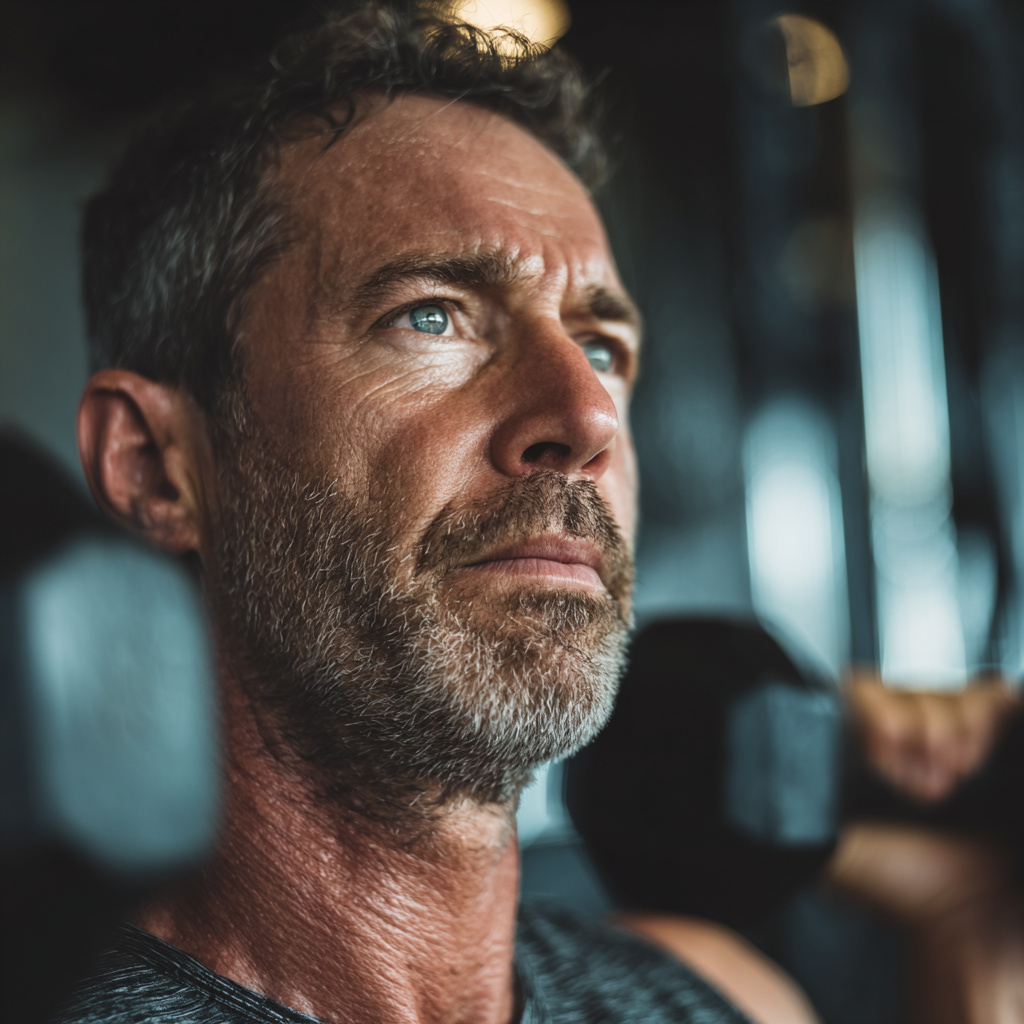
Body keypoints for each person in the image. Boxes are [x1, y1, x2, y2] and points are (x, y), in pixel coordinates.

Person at [61, 6, 817, 1023]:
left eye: (601, 347)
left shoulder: (715, 999)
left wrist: (963, 920)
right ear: (156, 466)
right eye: (431, 315)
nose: (587, 416)